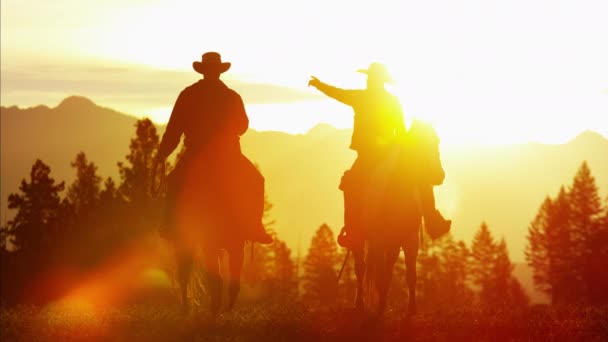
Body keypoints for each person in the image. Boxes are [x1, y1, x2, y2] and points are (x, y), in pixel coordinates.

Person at [308, 62, 450, 248]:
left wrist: (320, 85)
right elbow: (400, 130)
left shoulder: (362, 97)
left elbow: (339, 94)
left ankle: (352, 230)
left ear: (377, 80)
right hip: (390, 153)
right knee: (419, 179)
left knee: (351, 186)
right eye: (369, 78)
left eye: (370, 78)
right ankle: (432, 220)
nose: (368, 81)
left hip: (368, 156)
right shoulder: (391, 101)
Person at [156, 51, 273, 246]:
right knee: (256, 181)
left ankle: (170, 225)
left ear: (203, 71)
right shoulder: (232, 96)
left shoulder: (188, 94)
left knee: (174, 181)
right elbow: (243, 126)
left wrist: (162, 154)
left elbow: (174, 129)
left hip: (196, 155)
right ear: (219, 72)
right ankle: (254, 227)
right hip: (229, 155)